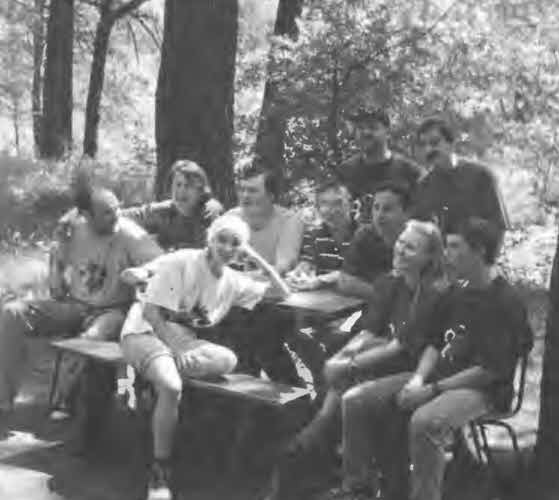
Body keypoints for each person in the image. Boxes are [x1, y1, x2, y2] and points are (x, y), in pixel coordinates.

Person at [340, 217, 533, 500]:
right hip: (435, 378)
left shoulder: (504, 301)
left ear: (479, 251)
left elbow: (487, 371)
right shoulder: (456, 292)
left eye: (454, 247)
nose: (446, 254)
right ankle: (357, 489)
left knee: (426, 421)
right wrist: (417, 380)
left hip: (481, 390)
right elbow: (434, 343)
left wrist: (431, 390)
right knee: (355, 399)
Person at [266, 220, 449, 500]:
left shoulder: (432, 293)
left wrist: (349, 364)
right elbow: (369, 331)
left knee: (352, 395)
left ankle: (347, 478)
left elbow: (400, 346)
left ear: (428, 257)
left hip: (417, 371)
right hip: (386, 361)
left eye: (411, 248)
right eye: (401, 242)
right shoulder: (389, 282)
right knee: (333, 366)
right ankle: (321, 455)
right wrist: (342, 358)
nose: (400, 250)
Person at [119, 214, 290, 500]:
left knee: (228, 360)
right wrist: (177, 349)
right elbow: (150, 312)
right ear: (210, 239)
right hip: (144, 333)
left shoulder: (233, 280)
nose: (227, 247)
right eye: (222, 239)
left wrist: (255, 257)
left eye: (235, 243)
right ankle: (160, 474)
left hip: (184, 342)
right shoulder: (183, 262)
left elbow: (282, 292)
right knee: (171, 386)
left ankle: (164, 371)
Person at [0, 187, 162, 415]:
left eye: (116, 209)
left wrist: (142, 273)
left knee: (91, 338)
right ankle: (4, 399)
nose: (115, 216)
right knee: (12, 313)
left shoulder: (130, 235)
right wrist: (57, 256)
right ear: (87, 216)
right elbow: (56, 289)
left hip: (112, 311)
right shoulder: (73, 231)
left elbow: (162, 264)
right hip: (74, 306)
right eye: (106, 213)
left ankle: (63, 400)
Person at [412, 115, 510, 242]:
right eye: (423, 145)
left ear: (451, 143)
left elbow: (499, 227)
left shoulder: (481, 176)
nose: (429, 150)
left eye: (434, 143)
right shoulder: (424, 187)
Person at [336, 107, 423, 222]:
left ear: (387, 133)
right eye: (360, 128)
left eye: (372, 127)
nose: (366, 132)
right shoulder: (345, 171)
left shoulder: (410, 171)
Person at [122, 159, 222, 250]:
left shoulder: (209, 213)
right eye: (178, 184)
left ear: (200, 191)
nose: (181, 190)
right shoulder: (163, 211)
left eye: (188, 185)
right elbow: (130, 215)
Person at [227, 162, 304, 274]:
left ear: (271, 196)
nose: (245, 195)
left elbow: (283, 266)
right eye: (241, 189)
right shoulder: (230, 219)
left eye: (252, 191)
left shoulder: (289, 220)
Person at [338, 181, 410, 299]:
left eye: (387, 209)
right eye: (376, 208)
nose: (379, 215)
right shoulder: (365, 235)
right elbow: (345, 282)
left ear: (406, 213)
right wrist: (383, 296)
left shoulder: (418, 239)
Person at [286, 179, 358, 291]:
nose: (331, 210)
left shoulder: (363, 235)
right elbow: (308, 262)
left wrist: (321, 280)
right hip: (322, 297)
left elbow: (358, 273)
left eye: (338, 203)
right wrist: (300, 272)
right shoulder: (314, 235)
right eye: (324, 203)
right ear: (317, 208)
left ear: (351, 205)